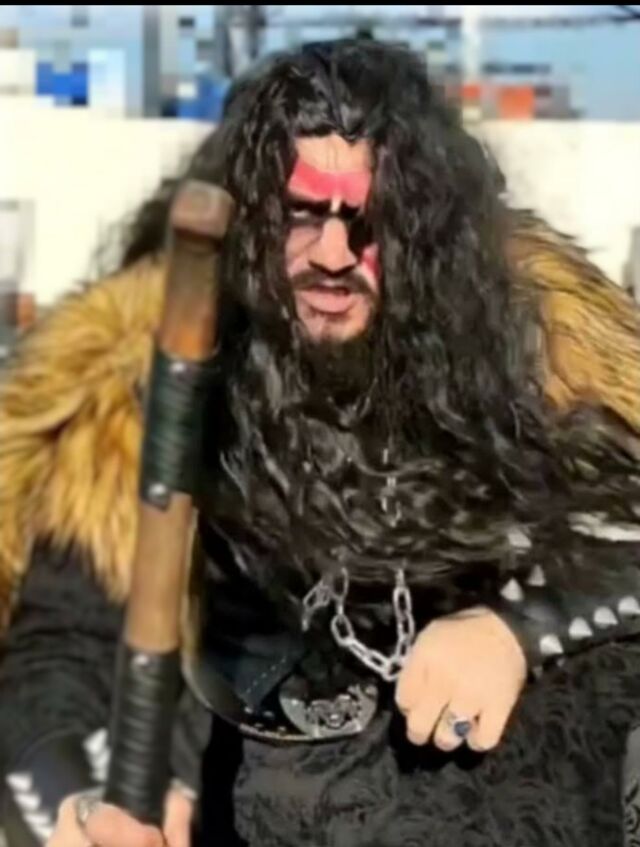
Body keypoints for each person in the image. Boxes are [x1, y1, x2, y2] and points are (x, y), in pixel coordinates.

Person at [1, 39, 640, 847]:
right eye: (304, 215)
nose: (333, 256)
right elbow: (58, 656)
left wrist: (522, 627)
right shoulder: (156, 394)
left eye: (366, 223)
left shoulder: (534, 359)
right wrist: (85, 796)